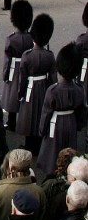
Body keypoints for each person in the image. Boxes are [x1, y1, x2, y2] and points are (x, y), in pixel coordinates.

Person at [36, 42, 86, 174]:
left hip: (55, 123)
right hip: (71, 122)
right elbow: (82, 112)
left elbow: (46, 114)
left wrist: (42, 131)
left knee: (53, 153)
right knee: (70, 153)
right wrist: (78, 125)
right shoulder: (79, 89)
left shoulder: (53, 90)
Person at [16, 13, 56, 155]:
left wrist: (20, 94)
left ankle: (29, 144)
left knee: (28, 116)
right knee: (41, 114)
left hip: (30, 89)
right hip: (44, 87)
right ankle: (40, 144)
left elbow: (22, 79)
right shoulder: (49, 55)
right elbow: (53, 78)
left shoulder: (27, 55)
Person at [3, 0, 34, 132]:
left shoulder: (11, 39)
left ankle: (11, 122)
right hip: (28, 68)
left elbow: (7, 60)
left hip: (14, 69)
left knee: (12, 95)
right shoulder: (32, 38)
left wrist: (5, 74)